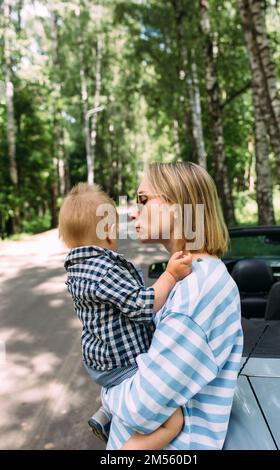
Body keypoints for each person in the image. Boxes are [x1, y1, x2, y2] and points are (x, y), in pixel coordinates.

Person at [99, 162, 243, 450]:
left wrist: (107, 385)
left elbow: (142, 408)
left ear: (178, 205)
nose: (131, 211)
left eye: (142, 199)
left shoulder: (198, 290)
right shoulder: (189, 279)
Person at [59, 182, 192, 450]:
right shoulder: (105, 270)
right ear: (108, 233)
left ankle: (107, 411)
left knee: (118, 388)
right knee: (174, 420)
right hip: (122, 363)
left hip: (102, 362)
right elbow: (143, 305)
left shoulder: (77, 268)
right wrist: (170, 275)